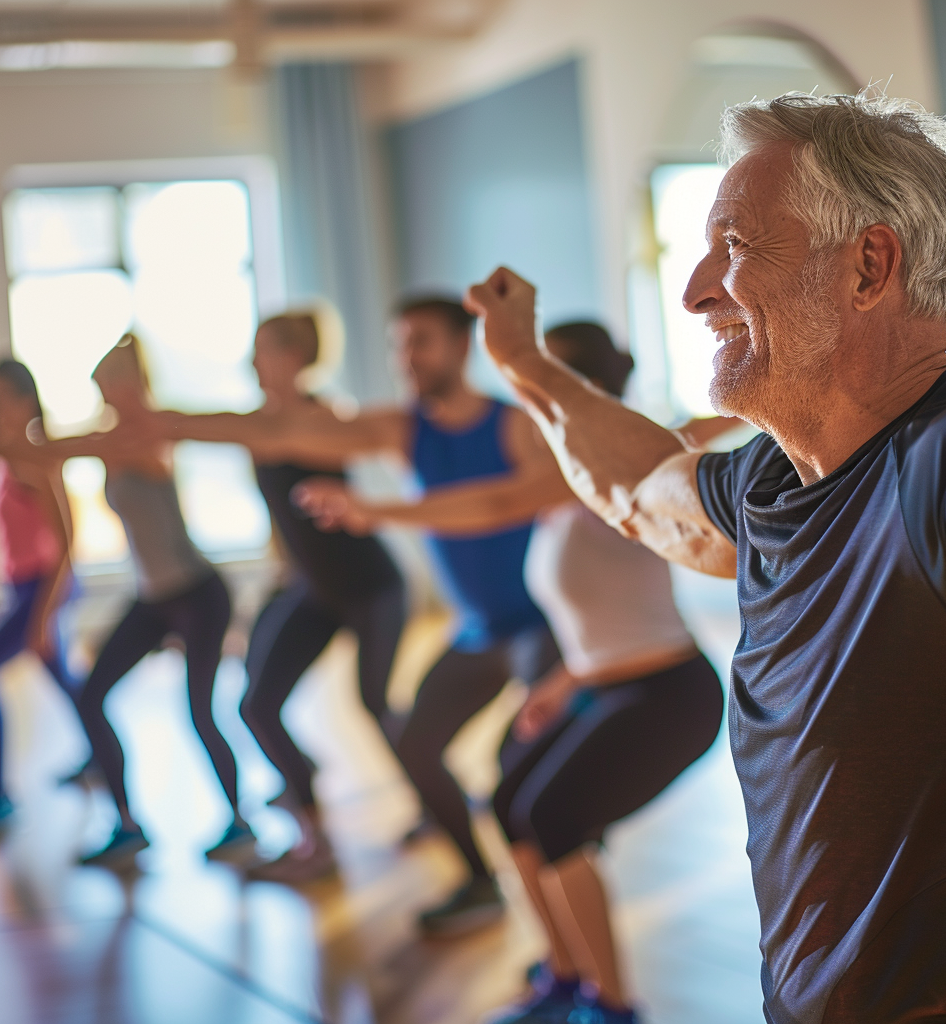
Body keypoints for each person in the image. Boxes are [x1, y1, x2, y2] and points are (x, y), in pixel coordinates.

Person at [464, 93, 946, 1023]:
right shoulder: (769, 483)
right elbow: (637, 487)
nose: (694, 291)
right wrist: (526, 366)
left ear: (869, 266)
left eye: (735, 245)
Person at [296, 321, 727, 1024]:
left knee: (554, 817)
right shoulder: (564, 469)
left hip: (668, 694)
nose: (520, 397)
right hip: (599, 683)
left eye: (534, 379)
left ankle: (613, 1007)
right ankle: (563, 978)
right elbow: (602, 620)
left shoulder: (612, 464)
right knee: (506, 803)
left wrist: (376, 509)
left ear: (575, 390)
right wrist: (562, 684)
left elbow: (493, 504)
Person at [165, 296, 562, 934]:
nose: (406, 358)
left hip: (543, 626)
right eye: (399, 344)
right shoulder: (404, 428)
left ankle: (565, 919)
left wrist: (374, 511)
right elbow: (275, 433)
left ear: (462, 346)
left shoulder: (514, 425)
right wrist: (154, 422)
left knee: (527, 776)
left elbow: (501, 505)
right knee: (416, 746)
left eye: (421, 342)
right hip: (478, 632)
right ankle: (481, 883)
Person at [144, 312, 407, 883]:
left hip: (371, 586)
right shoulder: (260, 425)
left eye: (264, 349)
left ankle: (433, 793)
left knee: (375, 703)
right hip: (316, 590)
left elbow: (230, 431)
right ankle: (315, 835)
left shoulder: (323, 419)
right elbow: (285, 518)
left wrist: (160, 421)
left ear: (294, 357)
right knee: (258, 705)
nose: (253, 360)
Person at [32, 335, 254, 870]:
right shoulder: (111, 439)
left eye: (115, 382)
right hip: (153, 599)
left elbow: (64, 449)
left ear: (134, 384)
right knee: (91, 697)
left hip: (197, 594)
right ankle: (128, 826)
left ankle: (240, 822)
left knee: (199, 711)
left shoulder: (148, 438)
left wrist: (29, 444)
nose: (108, 392)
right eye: (104, 384)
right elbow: (59, 450)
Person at [0, 360, 82, 829]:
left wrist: (44, 613)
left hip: (43, 587)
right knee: (65, 679)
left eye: (2, 397)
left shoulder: (35, 458)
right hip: (23, 587)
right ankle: (100, 752)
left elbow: (66, 545)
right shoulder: (8, 457)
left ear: (26, 400)